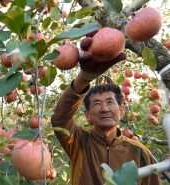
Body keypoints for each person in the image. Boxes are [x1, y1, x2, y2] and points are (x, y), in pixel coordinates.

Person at [51, 30, 161, 185]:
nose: (104, 109)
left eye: (110, 102)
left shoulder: (139, 152)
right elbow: (59, 120)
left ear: (121, 110)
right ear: (88, 115)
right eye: (97, 104)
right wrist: (84, 78)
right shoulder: (79, 141)